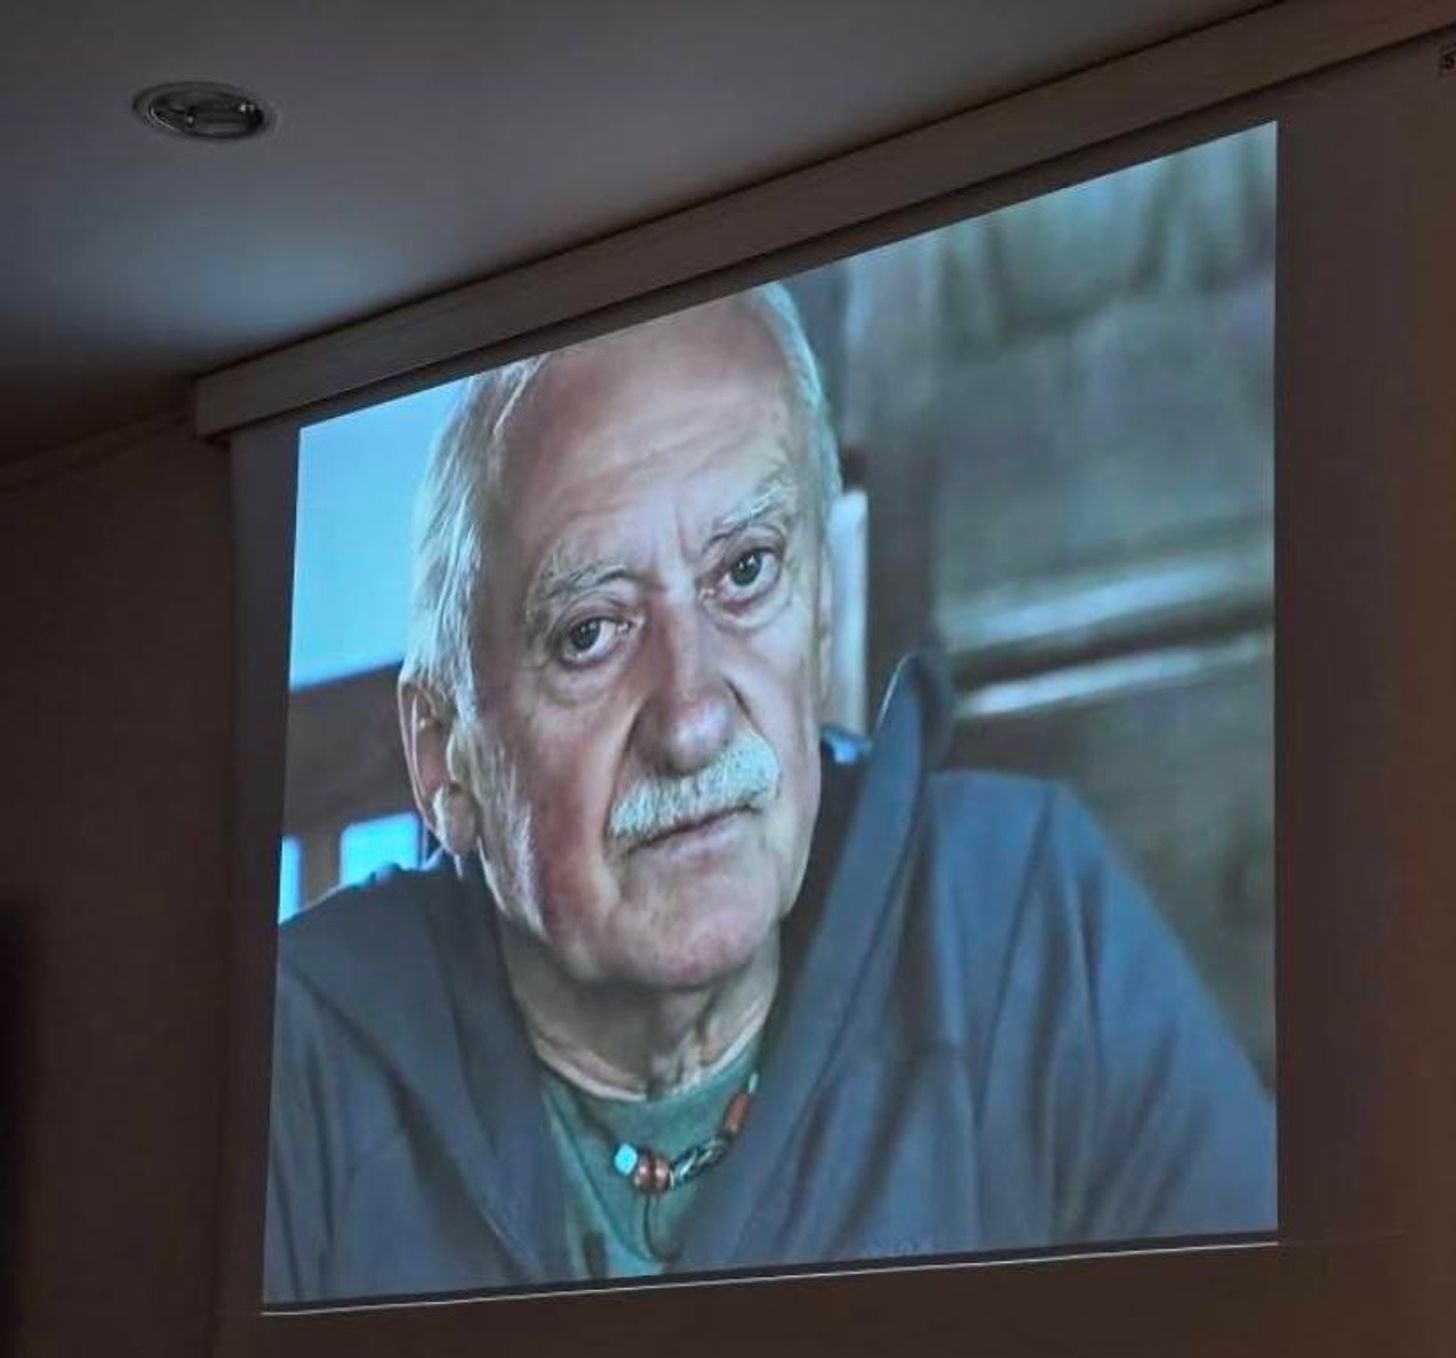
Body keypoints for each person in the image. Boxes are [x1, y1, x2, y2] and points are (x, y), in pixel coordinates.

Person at [265, 284, 1274, 1303]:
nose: (693, 722)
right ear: (445, 758)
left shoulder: (1031, 922)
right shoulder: (294, 1058)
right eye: (590, 633)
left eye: (746, 572)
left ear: (822, 614)